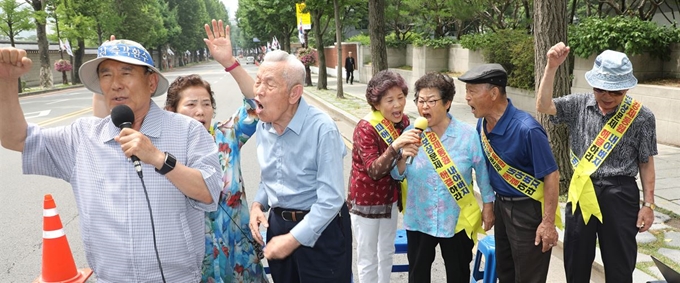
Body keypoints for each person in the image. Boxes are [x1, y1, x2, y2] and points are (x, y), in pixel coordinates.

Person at [0, 40, 222, 282]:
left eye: (126, 73)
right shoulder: (82, 136)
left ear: (151, 82)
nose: (115, 84)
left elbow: (209, 192)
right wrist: (6, 81)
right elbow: (15, 139)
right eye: (106, 75)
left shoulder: (187, 130)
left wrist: (158, 158)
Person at [537, 43, 657, 283]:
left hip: (620, 193)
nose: (608, 96)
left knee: (620, 263)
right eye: (601, 89)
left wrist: (649, 204)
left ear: (626, 89)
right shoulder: (578, 105)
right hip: (583, 189)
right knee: (576, 257)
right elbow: (543, 105)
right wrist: (551, 67)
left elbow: (646, 162)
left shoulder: (642, 117)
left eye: (616, 91)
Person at [248, 50, 352, 283]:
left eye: (269, 84)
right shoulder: (263, 127)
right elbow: (270, 176)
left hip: (322, 230)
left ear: (294, 93)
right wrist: (257, 205)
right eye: (258, 81)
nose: (258, 91)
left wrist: (293, 239)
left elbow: (331, 199)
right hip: (278, 227)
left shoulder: (321, 128)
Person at [391, 72, 495, 283]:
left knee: (458, 275)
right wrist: (402, 155)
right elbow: (397, 174)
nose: (424, 106)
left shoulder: (467, 135)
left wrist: (488, 206)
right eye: (420, 101)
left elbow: (482, 172)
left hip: (456, 219)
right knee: (418, 275)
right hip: (419, 218)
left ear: (447, 103)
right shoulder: (411, 133)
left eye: (431, 101)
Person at [460, 64, 560, 283]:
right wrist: (489, 206)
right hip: (502, 207)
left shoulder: (527, 129)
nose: (466, 98)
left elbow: (552, 175)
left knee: (528, 276)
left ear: (494, 93)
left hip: (528, 210)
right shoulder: (483, 124)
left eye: (471, 91)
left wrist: (548, 223)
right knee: (505, 271)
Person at [347, 70, 421, 283]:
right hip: (365, 203)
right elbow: (374, 169)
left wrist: (404, 155)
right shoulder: (366, 128)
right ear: (376, 104)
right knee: (368, 257)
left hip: (389, 199)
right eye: (390, 100)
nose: (397, 105)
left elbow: (400, 167)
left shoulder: (404, 122)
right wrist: (396, 145)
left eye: (400, 97)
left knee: (386, 251)